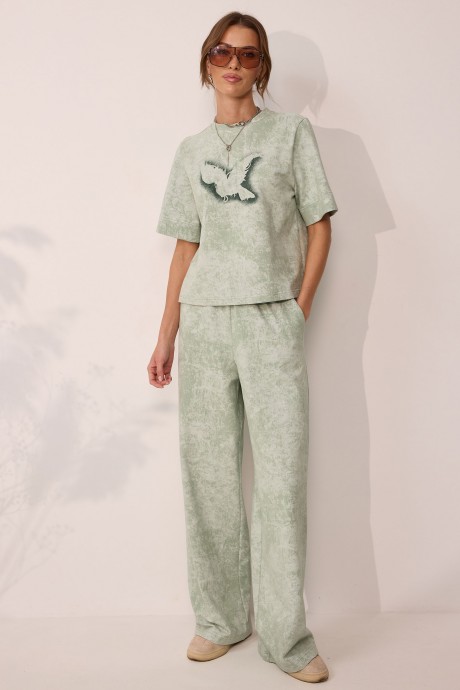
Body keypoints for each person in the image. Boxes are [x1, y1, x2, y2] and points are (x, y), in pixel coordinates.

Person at [147, 11, 338, 684]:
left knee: (281, 480)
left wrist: (297, 309)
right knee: (208, 478)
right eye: (222, 53)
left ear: (262, 67)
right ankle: (221, 620)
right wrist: (166, 333)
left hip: (268, 321)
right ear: (207, 63)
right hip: (202, 322)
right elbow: (185, 247)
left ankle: (287, 640)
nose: (234, 63)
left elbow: (320, 225)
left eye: (248, 55)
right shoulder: (190, 150)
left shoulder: (291, 135)